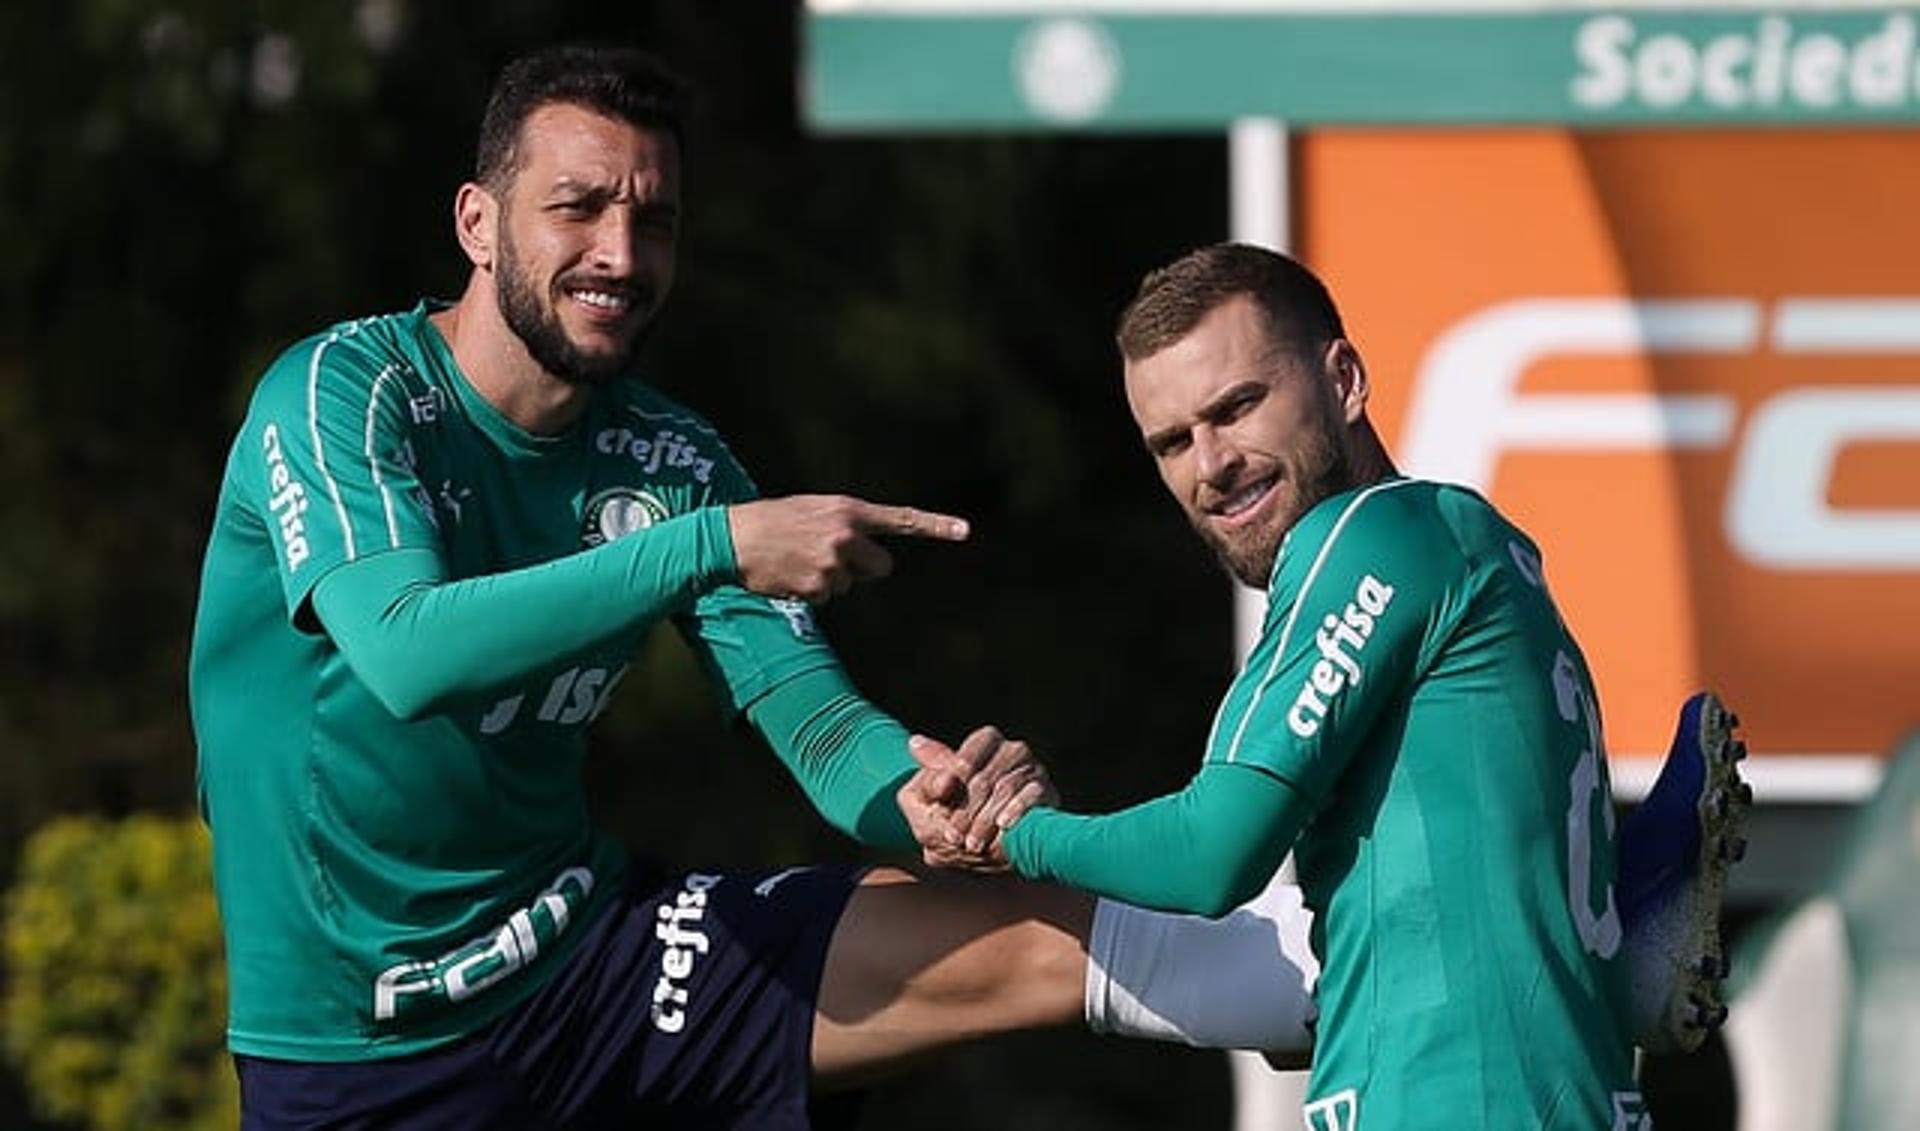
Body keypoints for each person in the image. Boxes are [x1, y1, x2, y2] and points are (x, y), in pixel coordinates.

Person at [188, 44, 1738, 1130]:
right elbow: (402, 654)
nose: (619, 247)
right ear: (479, 220)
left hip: (590, 956)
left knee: (1034, 931)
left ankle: (1571, 963)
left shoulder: (671, 454)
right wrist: (714, 545)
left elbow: (809, 717)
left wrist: (924, 805)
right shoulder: (345, 396)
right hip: (360, 1047)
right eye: (577, 207)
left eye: (652, 215)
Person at [902, 242, 1752, 1129]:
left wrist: (1019, 835)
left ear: (1343, 377)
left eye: (1237, 407)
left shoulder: (1370, 540)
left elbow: (1207, 855)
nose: (1211, 463)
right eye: (1172, 441)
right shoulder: (1480, 549)